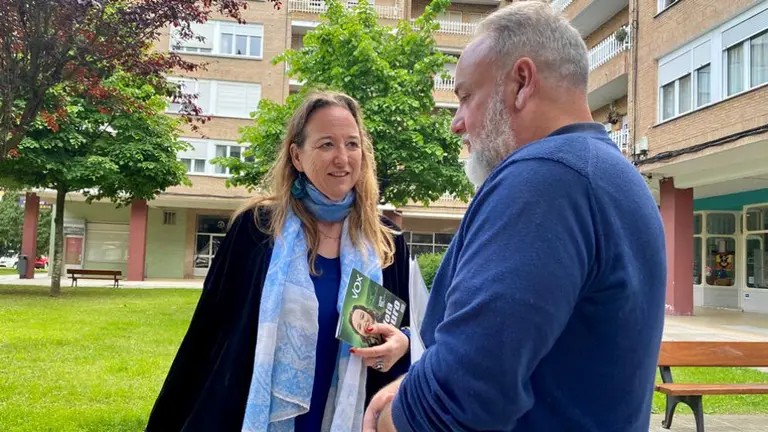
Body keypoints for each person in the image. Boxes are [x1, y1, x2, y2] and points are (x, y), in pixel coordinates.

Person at [364, 2, 666, 431]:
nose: (457, 123)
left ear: (521, 83)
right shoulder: (613, 175)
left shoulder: (544, 179)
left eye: (466, 97)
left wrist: (388, 419)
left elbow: (461, 399)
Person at [145, 91, 413, 432]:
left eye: (352, 144)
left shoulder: (386, 241)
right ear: (297, 156)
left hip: (351, 411)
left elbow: (413, 330)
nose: (342, 158)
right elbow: (210, 330)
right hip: (258, 409)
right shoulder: (257, 228)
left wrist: (401, 342)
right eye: (326, 144)